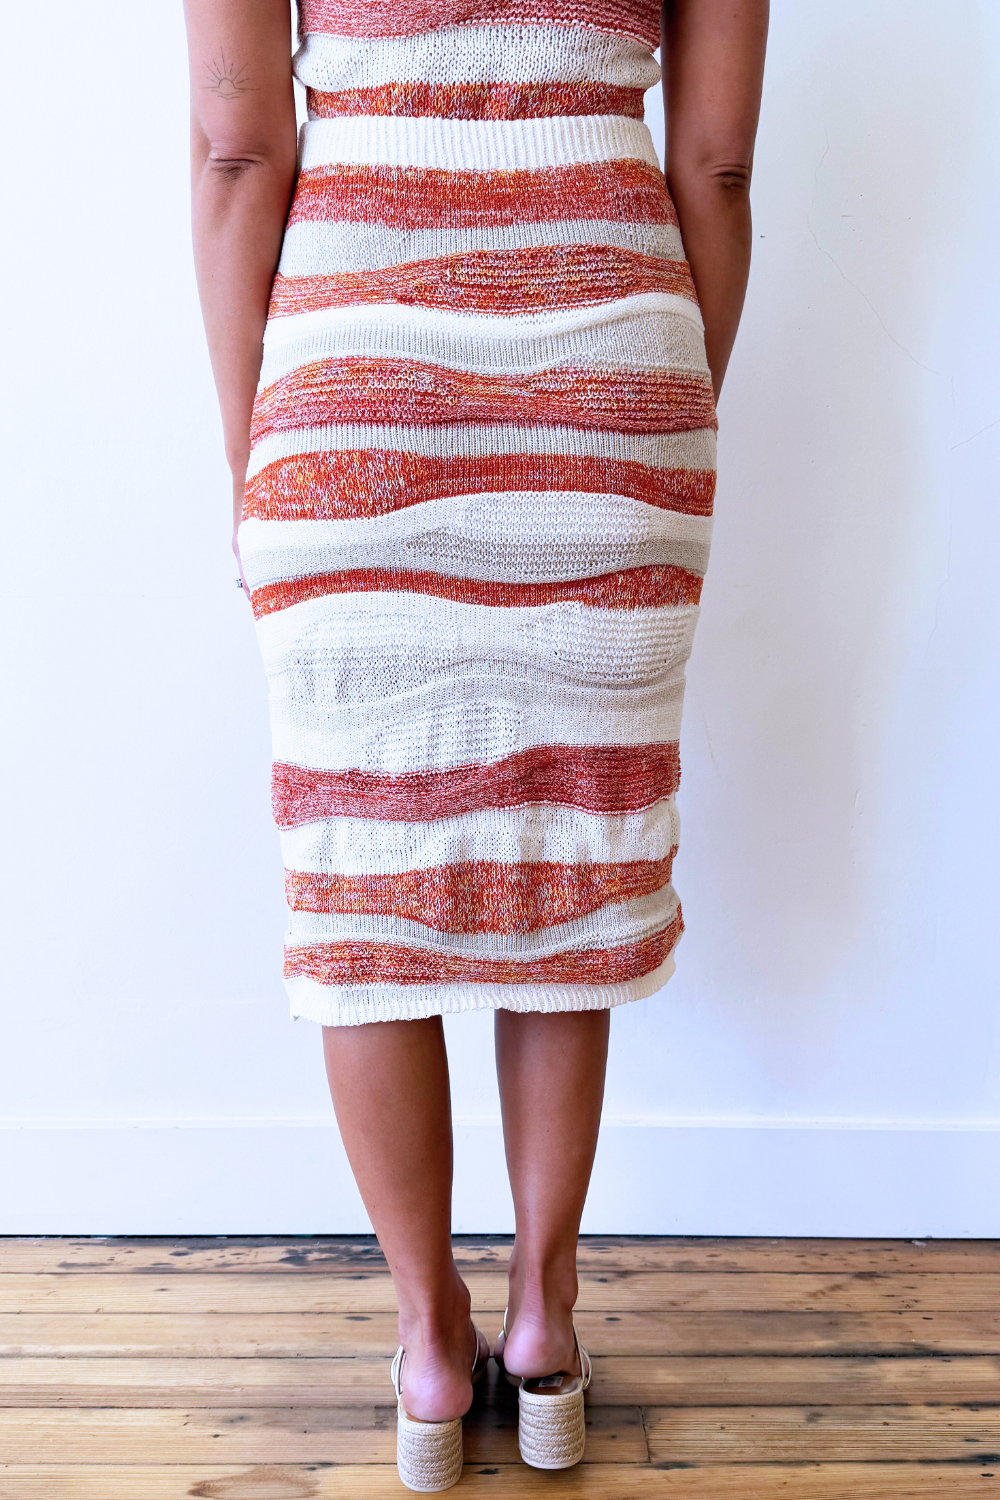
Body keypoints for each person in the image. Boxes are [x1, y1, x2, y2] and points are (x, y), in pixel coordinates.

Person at [183, 0, 767, 1485]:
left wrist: (254, 447)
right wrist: (660, 410)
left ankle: (429, 1344)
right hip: (614, 380)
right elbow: (714, 169)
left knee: (363, 886)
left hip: (351, 386)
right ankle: (544, 1321)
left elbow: (240, 153)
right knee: (571, 863)